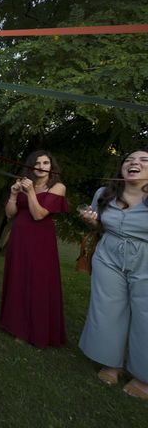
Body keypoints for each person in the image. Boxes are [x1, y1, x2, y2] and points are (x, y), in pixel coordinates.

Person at [78, 150, 148, 400]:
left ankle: (144, 377)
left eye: (143, 160)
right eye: (129, 160)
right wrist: (91, 221)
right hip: (108, 255)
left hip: (146, 259)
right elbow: (99, 224)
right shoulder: (104, 194)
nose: (135, 163)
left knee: (145, 314)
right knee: (107, 307)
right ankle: (111, 364)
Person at [0, 150, 68, 348]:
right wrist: (13, 194)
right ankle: (16, 325)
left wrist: (29, 193)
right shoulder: (24, 184)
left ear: (51, 167)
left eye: (46, 163)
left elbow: (39, 215)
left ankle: (36, 329)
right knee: (18, 277)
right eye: (37, 163)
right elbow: (10, 213)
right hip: (19, 237)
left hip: (41, 240)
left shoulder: (57, 187)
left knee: (38, 280)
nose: (41, 166)